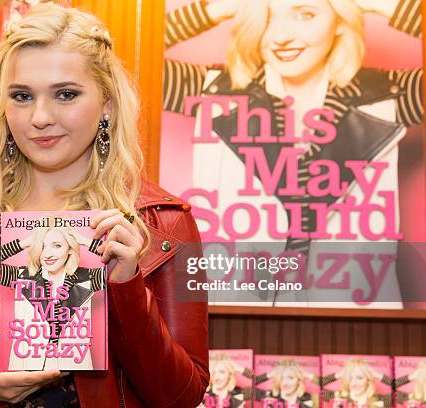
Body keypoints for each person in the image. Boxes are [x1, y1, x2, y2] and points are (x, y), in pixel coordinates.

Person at [0, 3, 208, 407]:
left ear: (106, 103)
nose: (39, 117)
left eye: (65, 94)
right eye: (21, 96)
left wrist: (126, 288)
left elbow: (183, 395)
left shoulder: (165, 223)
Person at [163, 0, 422, 305]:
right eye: (268, 17)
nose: (281, 35)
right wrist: (216, 9)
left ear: (340, 21)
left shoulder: (387, 95)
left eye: (306, 14)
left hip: (351, 313)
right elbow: (122, 55)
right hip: (240, 310)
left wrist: (381, 5)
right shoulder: (216, 89)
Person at [0, 218, 105, 371]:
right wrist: (27, 242)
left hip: (74, 369)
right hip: (27, 367)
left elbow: (113, 262)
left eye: (57, 246)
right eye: (42, 246)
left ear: (69, 249)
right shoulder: (23, 276)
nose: (48, 254)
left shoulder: (87, 279)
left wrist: (82, 240)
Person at [322, 358, 392, 408]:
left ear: (367, 380)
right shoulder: (337, 396)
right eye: (350, 378)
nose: (354, 383)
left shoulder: (380, 400)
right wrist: (338, 375)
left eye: (359, 378)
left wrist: (377, 375)